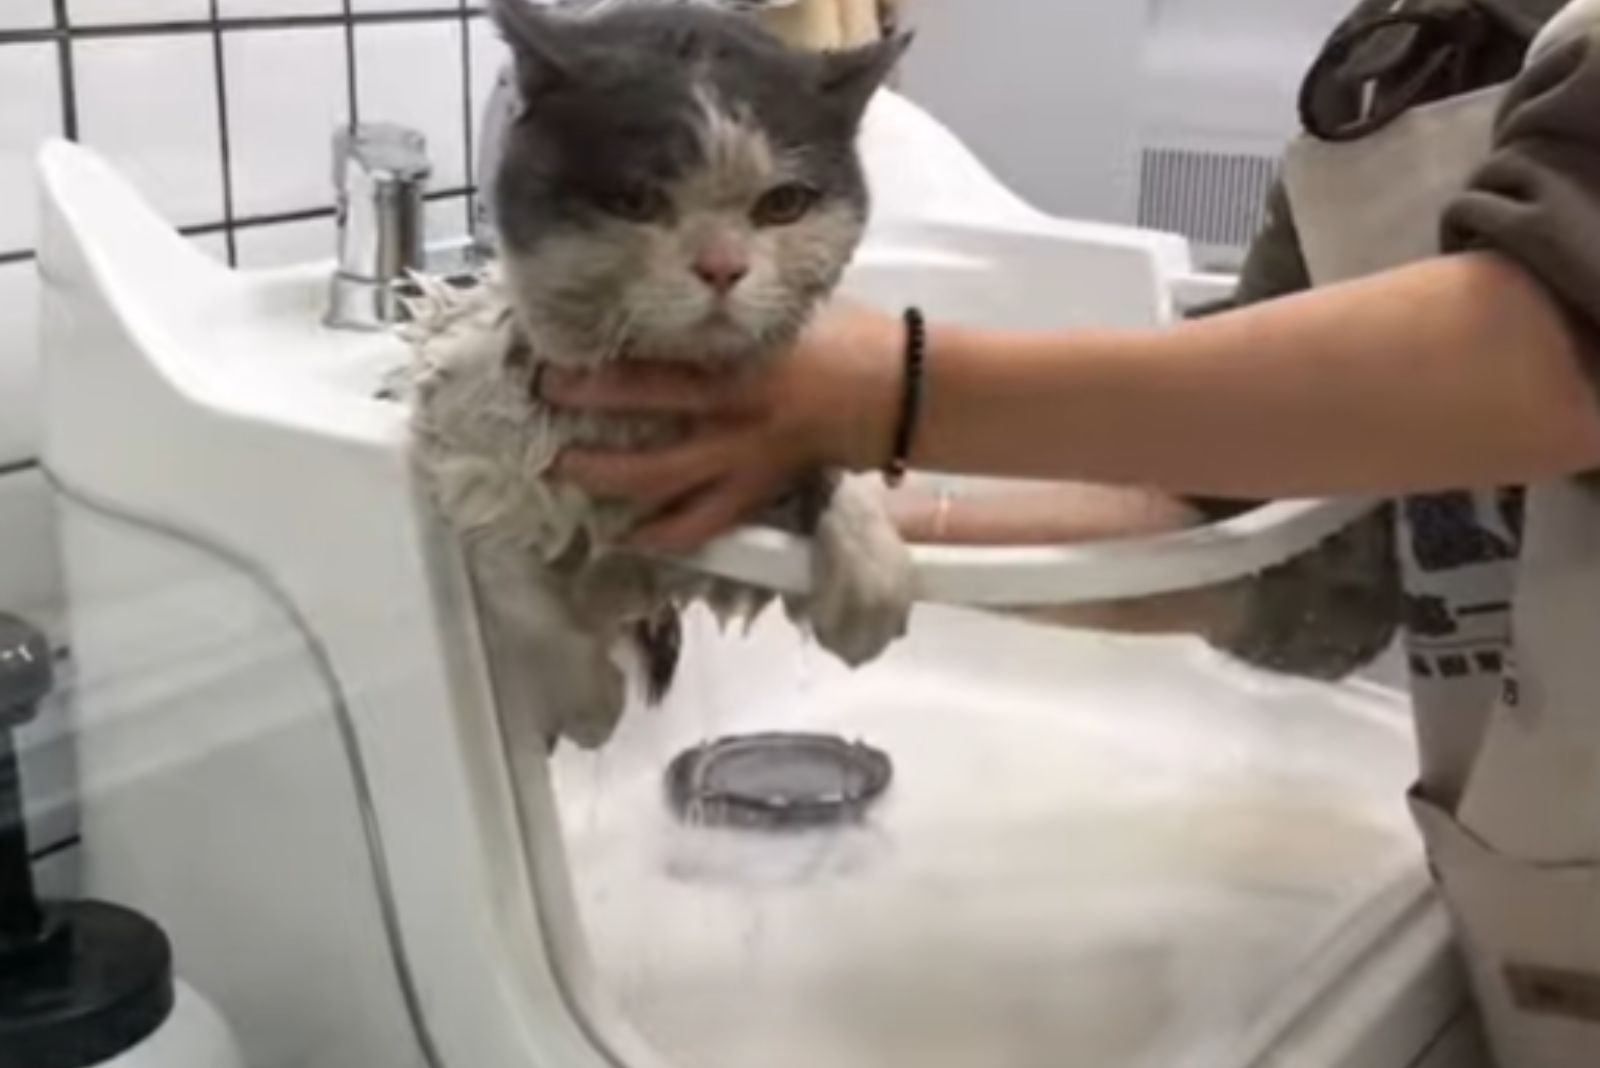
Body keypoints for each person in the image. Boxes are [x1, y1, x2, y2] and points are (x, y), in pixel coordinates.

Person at [545, 1, 1600, 1065]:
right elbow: (1282, 555)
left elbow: (1549, 350)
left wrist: (894, 390)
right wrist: (834, 526)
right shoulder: (1382, 83)